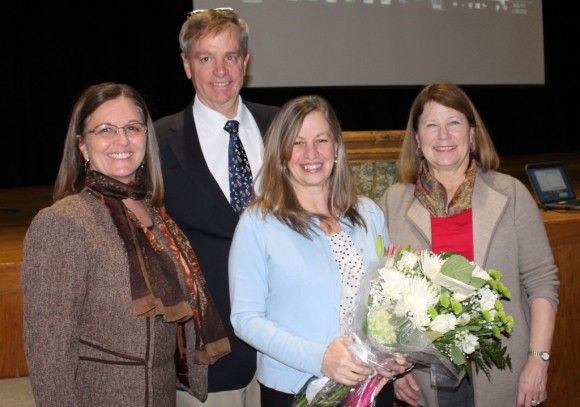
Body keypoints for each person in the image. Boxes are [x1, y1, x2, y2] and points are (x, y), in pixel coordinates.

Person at [21, 82, 230, 406]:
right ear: (82, 145)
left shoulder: (158, 218)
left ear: (146, 138)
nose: (121, 140)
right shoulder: (63, 223)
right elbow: (50, 358)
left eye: (133, 128)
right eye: (105, 130)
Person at [379, 82, 560, 407]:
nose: (443, 135)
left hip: (505, 372)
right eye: (431, 125)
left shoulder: (512, 194)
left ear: (473, 134)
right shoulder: (394, 201)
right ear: (417, 139)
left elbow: (542, 284)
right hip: (424, 378)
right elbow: (381, 294)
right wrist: (395, 368)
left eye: (454, 123)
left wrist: (538, 360)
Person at [228, 95, 411, 407]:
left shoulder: (369, 213)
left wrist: (398, 352)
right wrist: (320, 358)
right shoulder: (258, 222)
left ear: (336, 148)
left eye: (321, 140)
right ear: (282, 154)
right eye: (297, 142)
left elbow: (389, 300)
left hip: (373, 388)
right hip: (296, 389)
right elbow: (246, 319)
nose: (310, 153)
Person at [153, 7, 279, 407]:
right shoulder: (157, 140)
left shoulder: (282, 128)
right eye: (206, 58)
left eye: (230, 57)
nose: (219, 70)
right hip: (209, 352)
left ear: (245, 61)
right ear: (187, 65)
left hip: (289, 347)